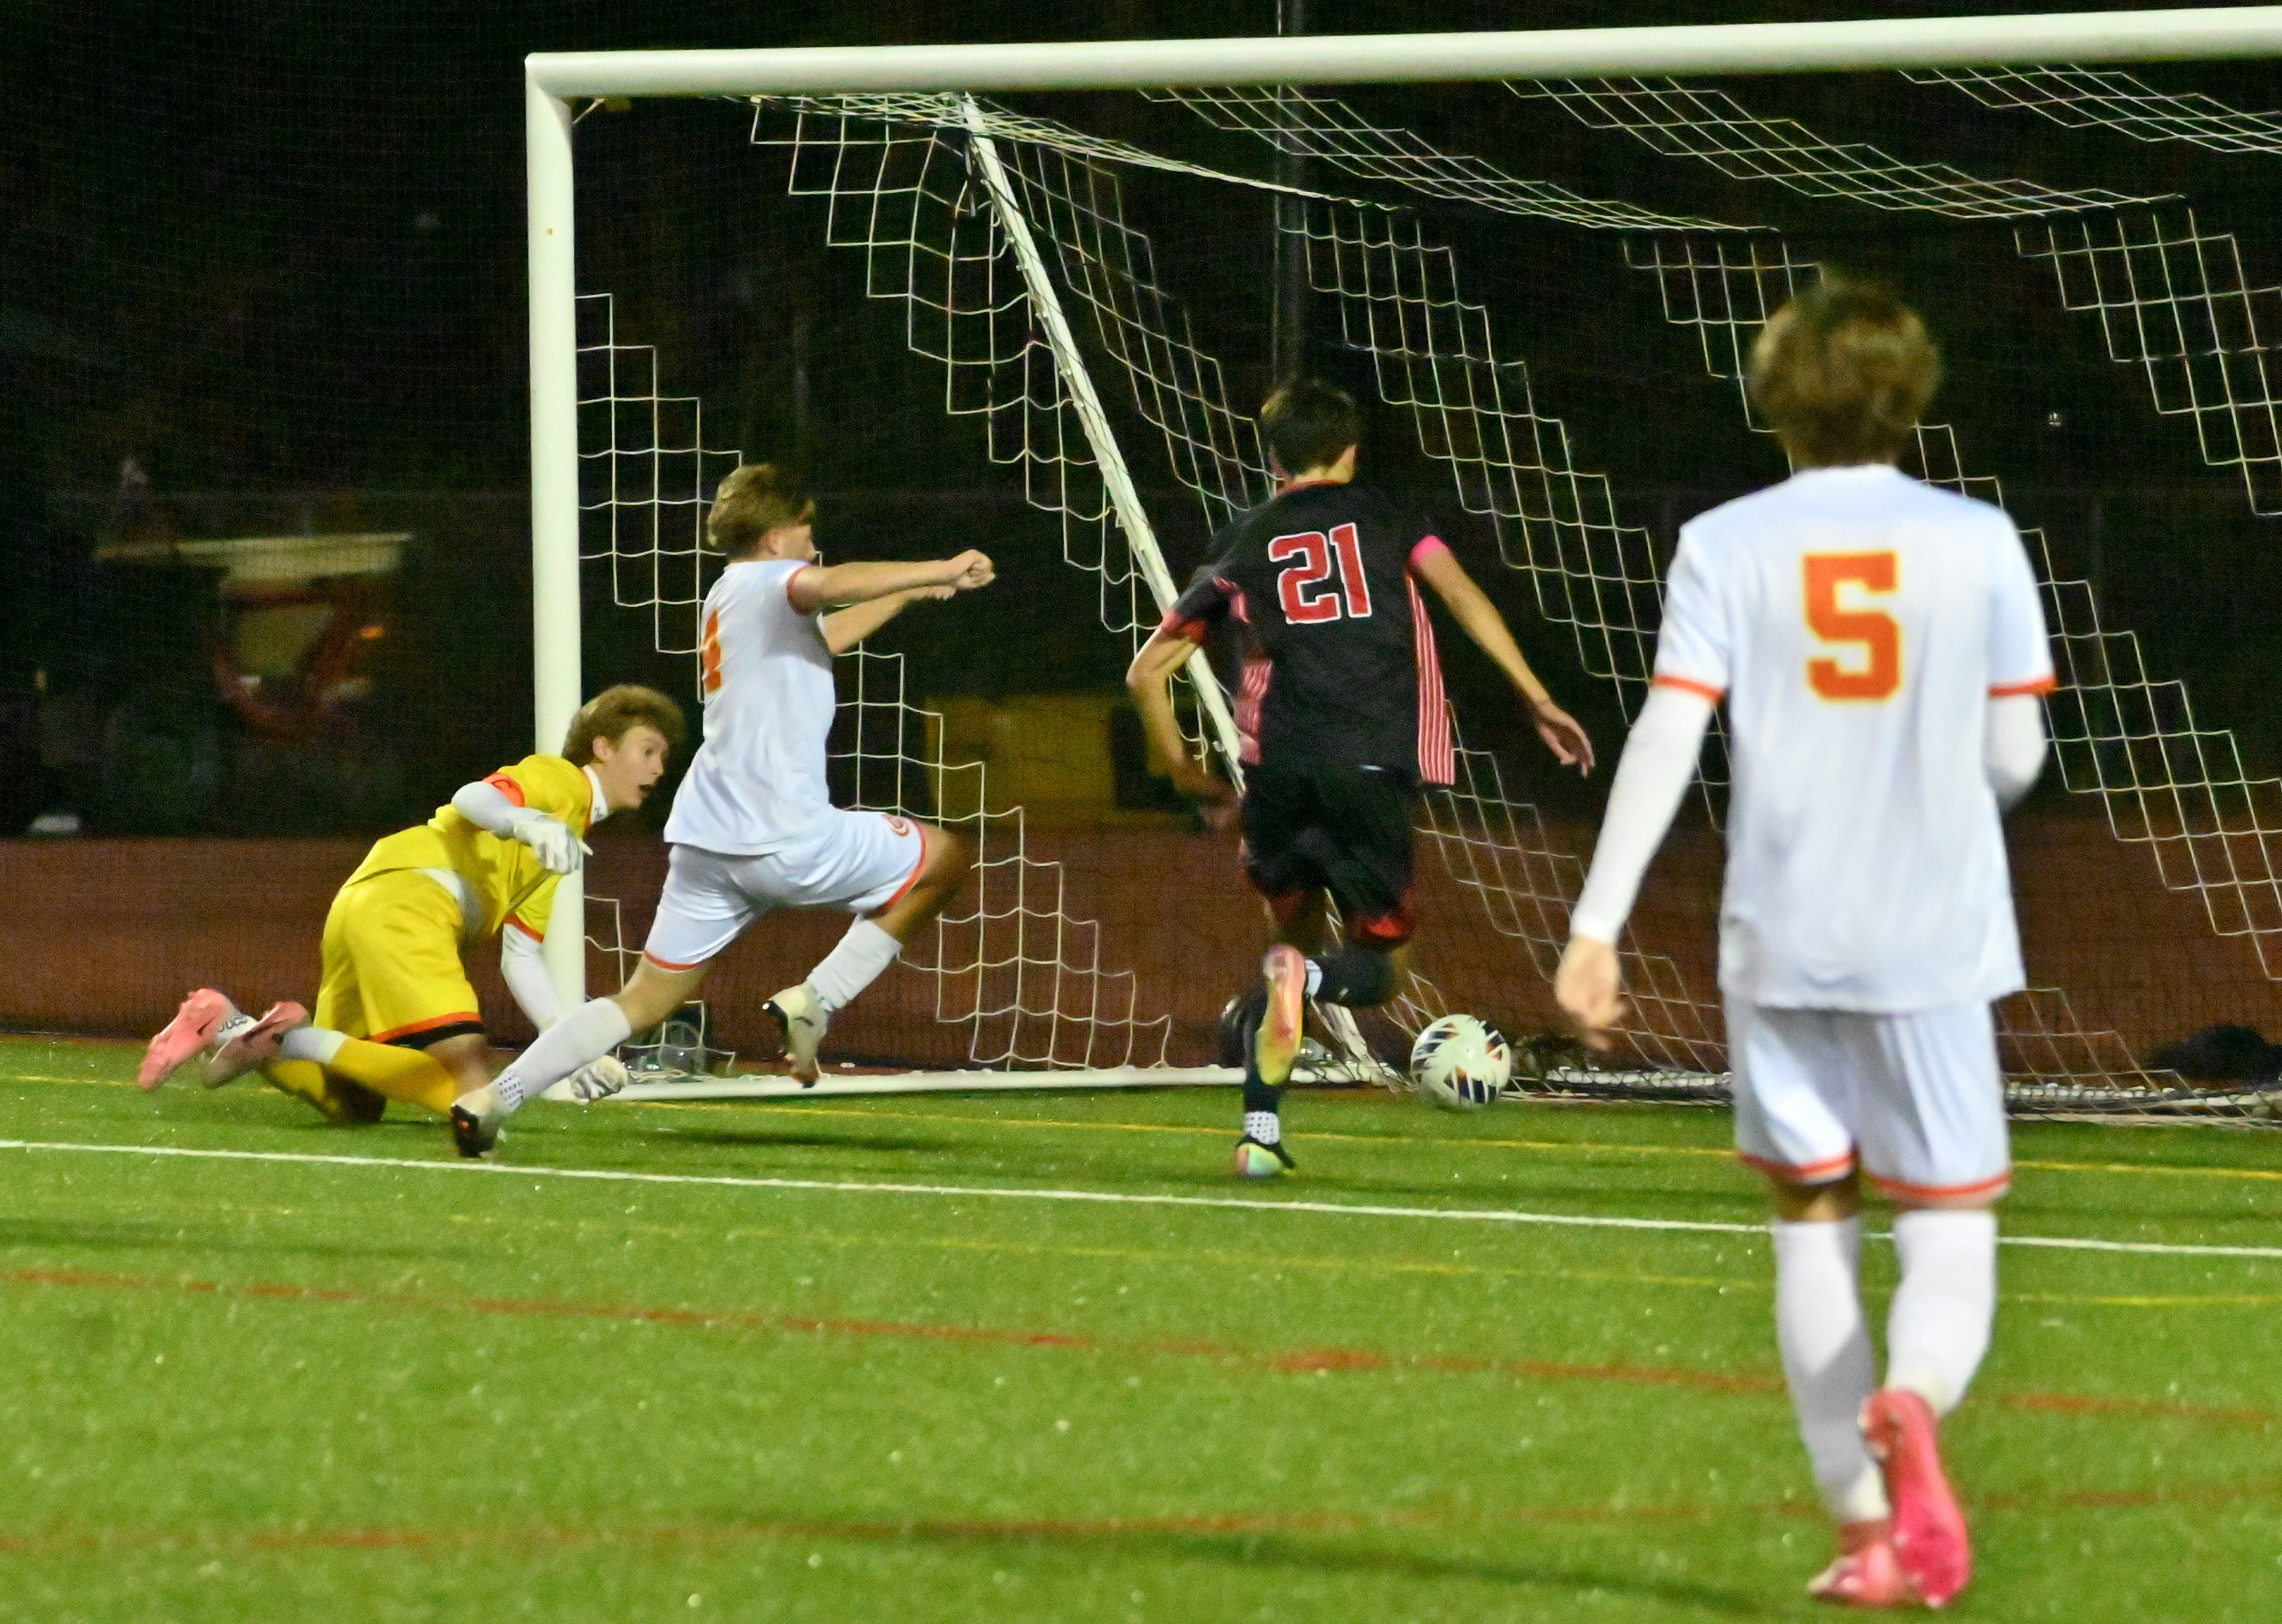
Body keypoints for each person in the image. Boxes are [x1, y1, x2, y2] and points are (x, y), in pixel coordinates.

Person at [1555, 281, 2053, 1609]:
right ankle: (1917, 1391)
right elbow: (2016, 750)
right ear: (1912, 394)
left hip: (1780, 932)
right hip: (1935, 933)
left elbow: (1668, 732)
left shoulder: (1725, 540)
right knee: (1946, 1224)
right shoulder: (1980, 536)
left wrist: (1596, 922)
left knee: (1810, 1225)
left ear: (1768, 397)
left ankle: (1866, 1531)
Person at [446, 463, 992, 1157]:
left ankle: (496, 1098)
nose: (812, 544)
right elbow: (827, 584)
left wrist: (916, 591)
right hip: (788, 837)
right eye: (804, 530)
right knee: (944, 858)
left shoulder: (732, 596)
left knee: (640, 1001)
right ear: (772, 538)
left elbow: (821, 640)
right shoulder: (776, 581)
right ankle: (816, 999)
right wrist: (938, 563)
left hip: (709, 844)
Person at [1127, 378, 1593, 1177]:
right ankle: (1302, 978)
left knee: (1290, 935)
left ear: (1270, 456)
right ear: (1350, 450)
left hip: (1275, 769)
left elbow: (1146, 672)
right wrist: (1538, 697)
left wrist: (1183, 772)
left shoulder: (1245, 536)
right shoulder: (1384, 515)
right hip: (1370, 759)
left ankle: (1259, 1137)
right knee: (1377, 969)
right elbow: (1461, 594)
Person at [139, 684, 688, 1123]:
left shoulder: (563, 838)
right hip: (410, 903)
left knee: (350, 1100)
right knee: (469, 1085)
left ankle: (232, 1025)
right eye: (647, 750)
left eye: (664, 756)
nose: (658, 768)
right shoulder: (560, 781)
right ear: (603, 748)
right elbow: (471, 798)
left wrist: (573, 1047)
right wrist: (525, 819)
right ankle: (288, 1037)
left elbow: (520, 957)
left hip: (368, 897)